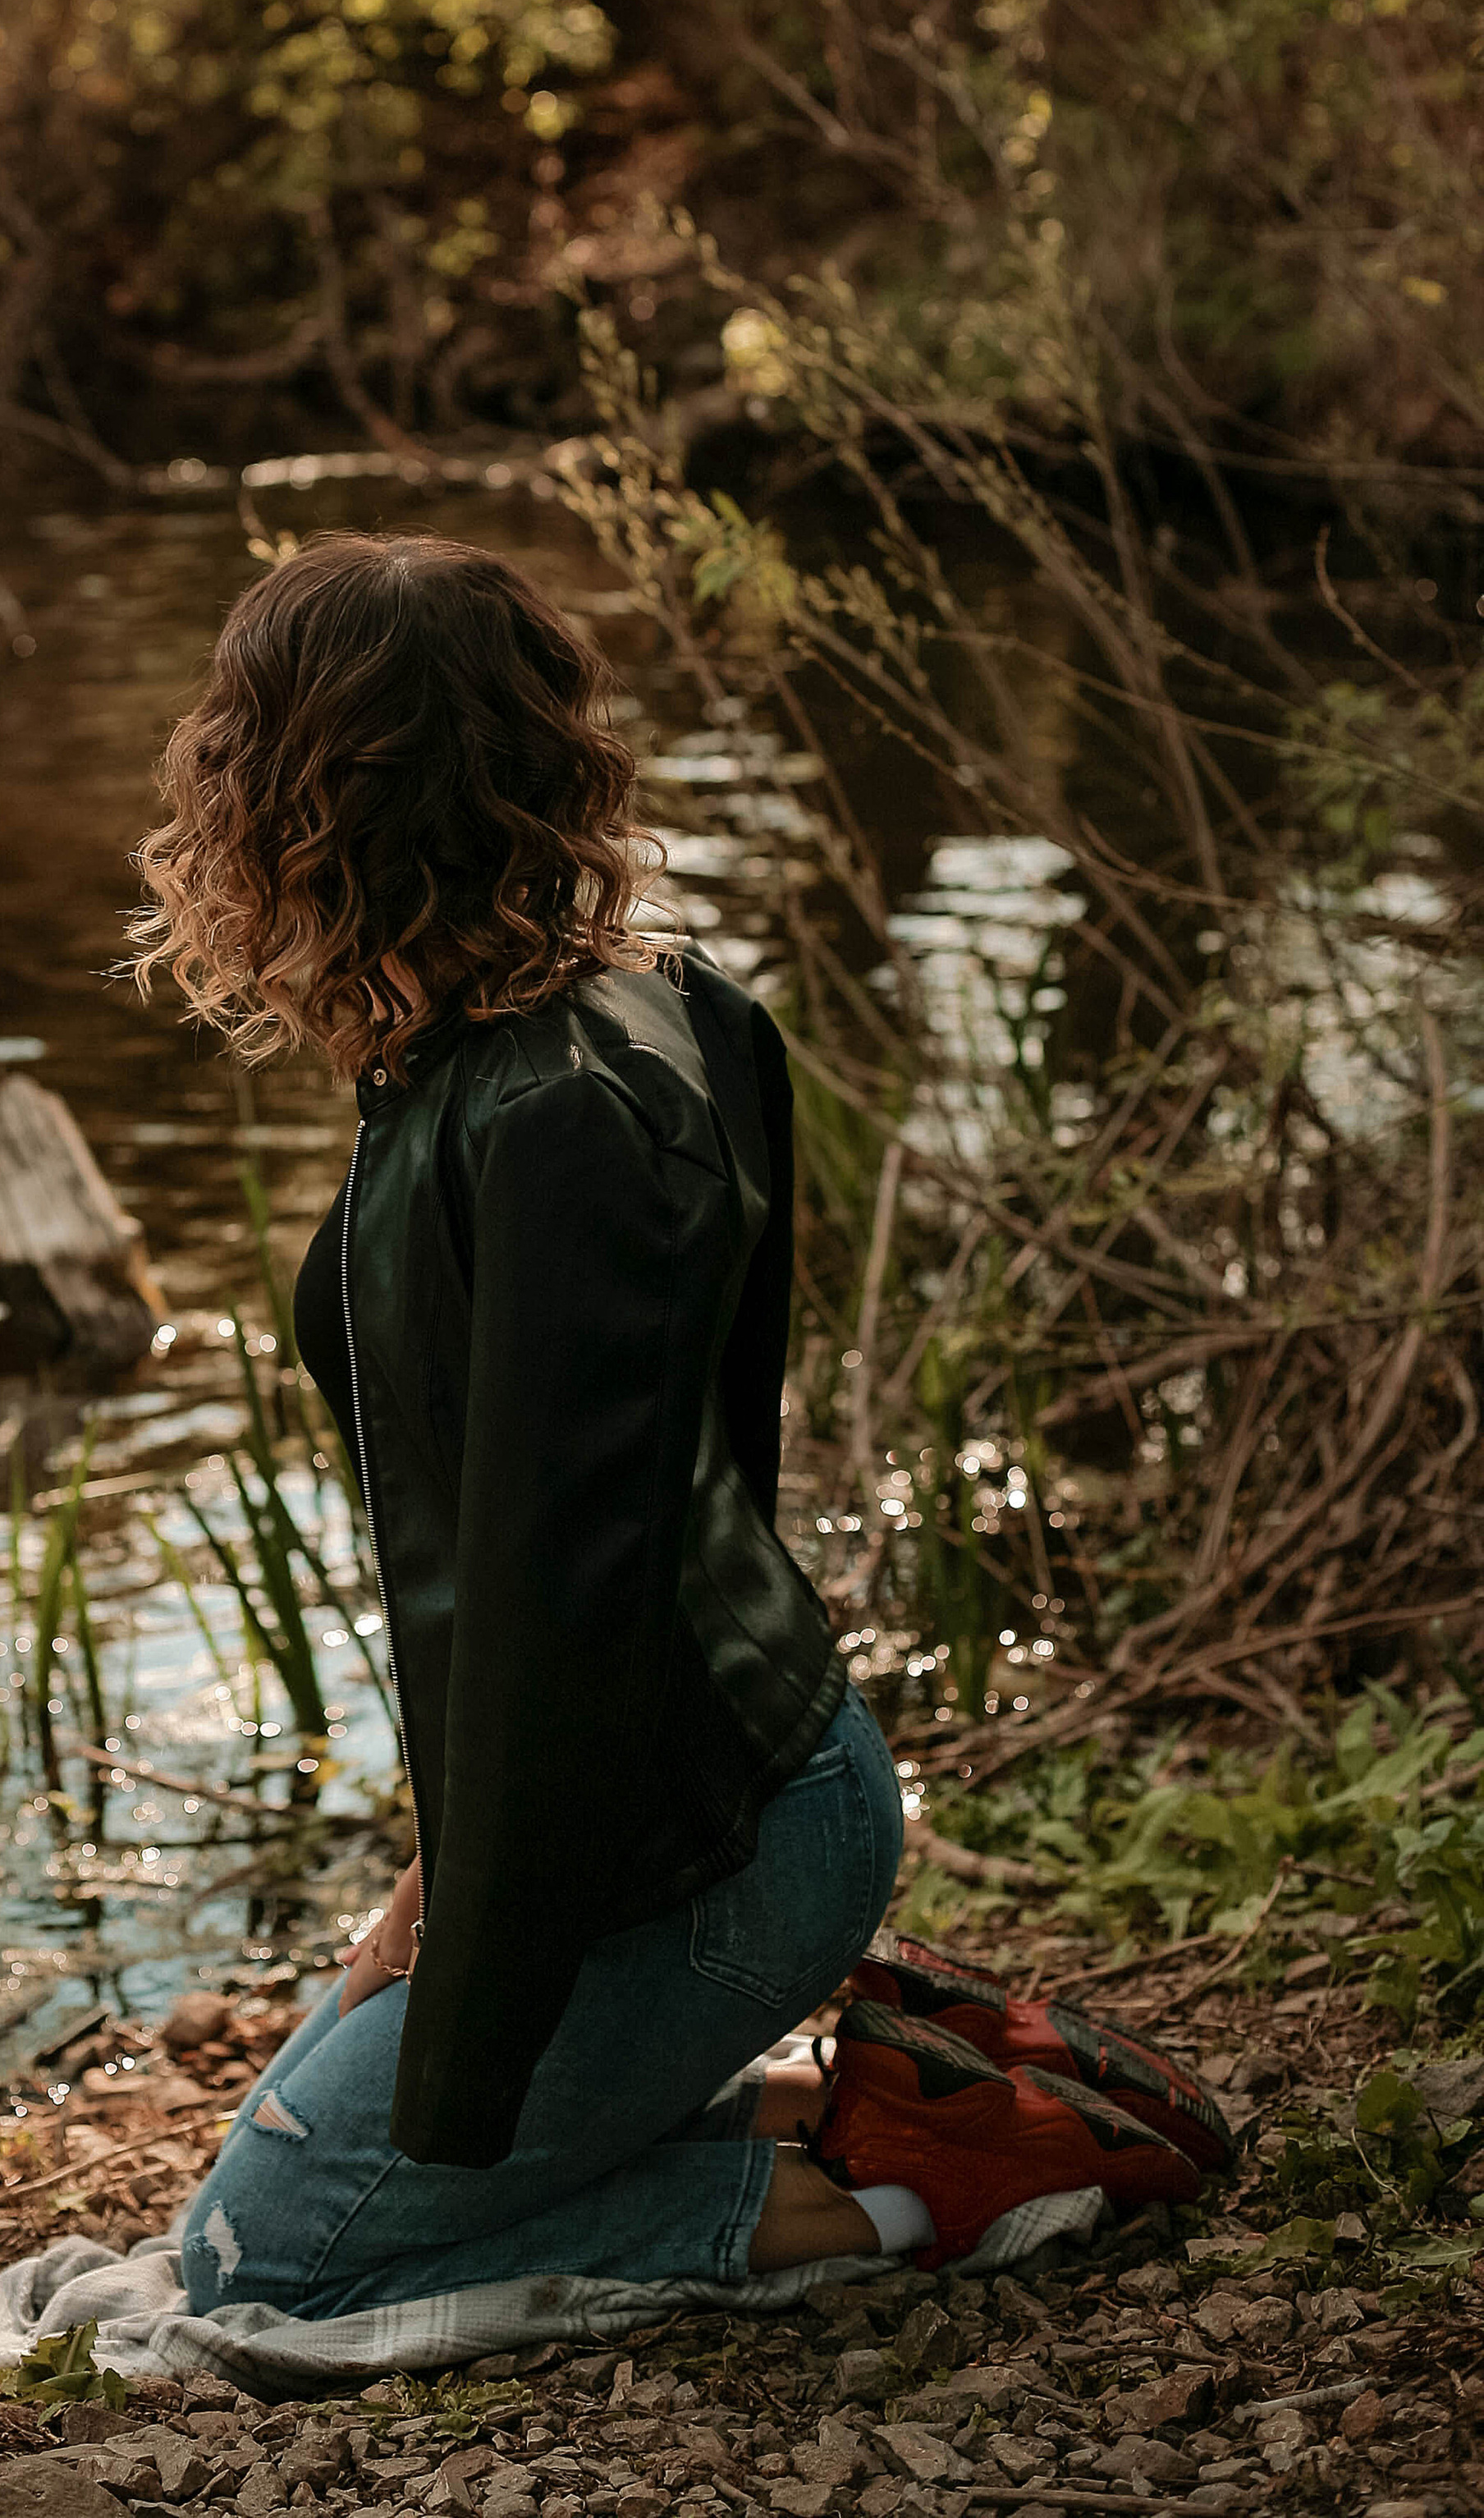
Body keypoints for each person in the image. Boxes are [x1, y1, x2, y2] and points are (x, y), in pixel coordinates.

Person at [129, 532, 1226, 2321]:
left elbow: (576, 1598)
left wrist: (473, 2003)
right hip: (651, 1800)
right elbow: (683, 1479)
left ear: (304, 793)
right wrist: (432, 1882)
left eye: (232, 753)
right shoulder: (536, 1036)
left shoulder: (563, 1115)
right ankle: (889, 2086)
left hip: (709, 1840)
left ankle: (960, 2179)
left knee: (268, 2257)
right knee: (316, 2157)